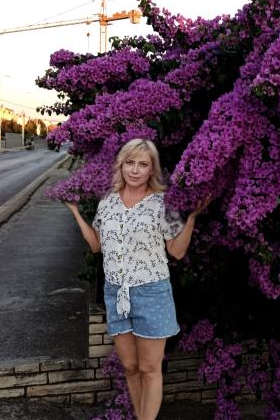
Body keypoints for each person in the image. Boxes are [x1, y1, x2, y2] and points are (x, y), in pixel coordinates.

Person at [65, 138, 208, 420]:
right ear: (121, 164)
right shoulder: (107, 203)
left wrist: (191, 220)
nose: (135, 170)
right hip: (116, 293)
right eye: (130, 162)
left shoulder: (162, 204)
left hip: (151, 292)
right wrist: (75, 212)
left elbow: (176, 251)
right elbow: (97, 246)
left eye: (143, 164)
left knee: (150, 368)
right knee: (130, 367)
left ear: (151, 169)